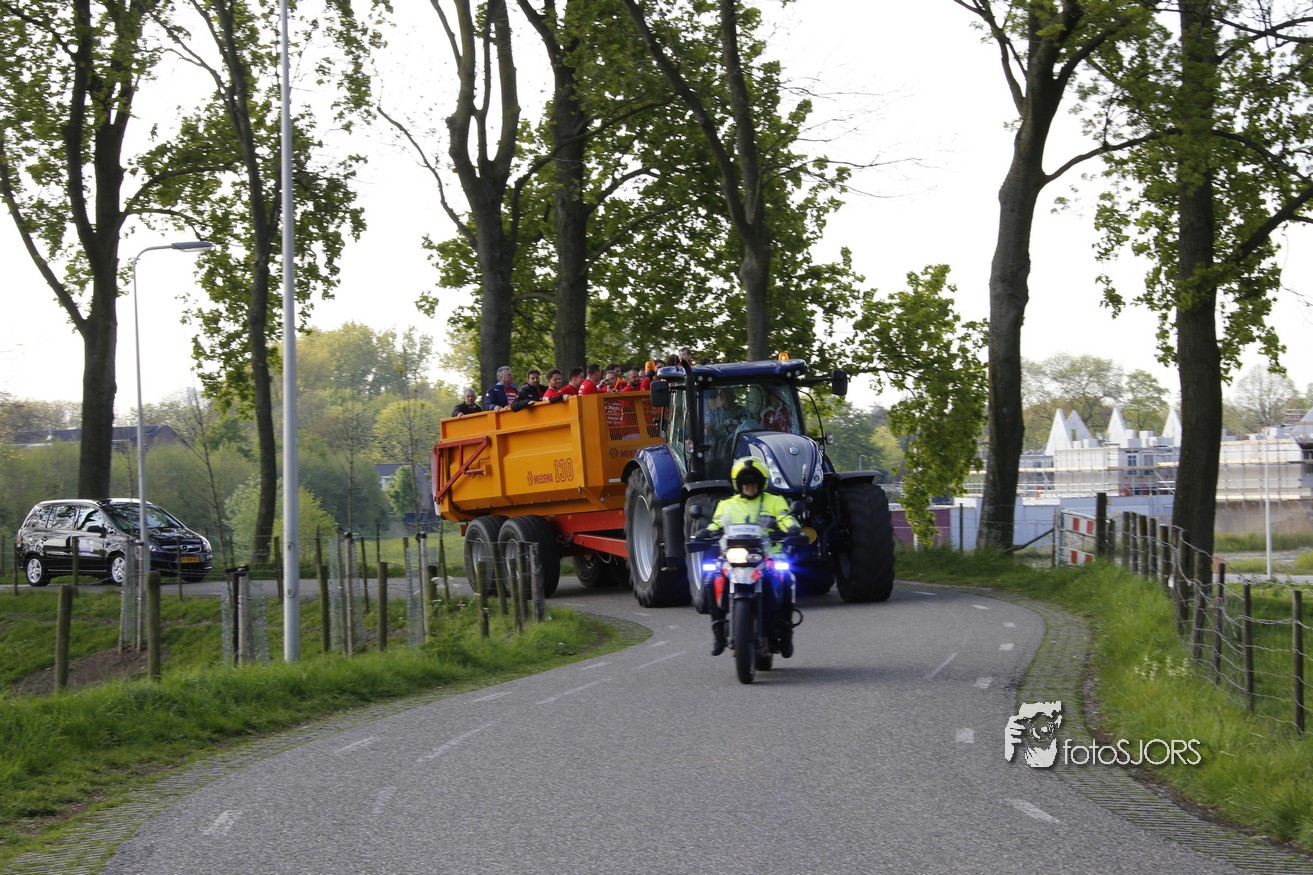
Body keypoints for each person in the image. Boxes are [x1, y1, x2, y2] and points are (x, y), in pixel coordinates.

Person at [699, 457, 800, 658]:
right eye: (745, 482)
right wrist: (705, 532)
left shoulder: (774, 501)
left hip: (768, 555)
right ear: (738, 484)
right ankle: (718, 634)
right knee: (710, 579)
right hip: (732, 556)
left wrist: (793, 528)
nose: (749, 485)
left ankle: (786, 633)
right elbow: (716, 524)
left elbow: (786, 518)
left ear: (761, 483)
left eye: (753, 481)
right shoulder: (726, 505)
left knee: (787, 578)